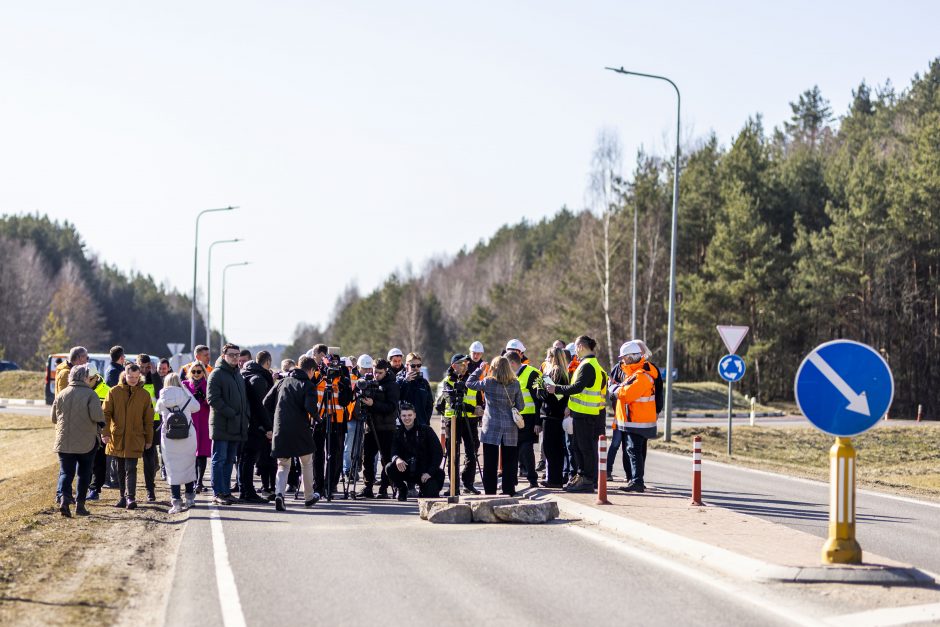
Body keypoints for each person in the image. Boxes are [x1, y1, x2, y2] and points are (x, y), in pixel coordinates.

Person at [545, 335, 608, 493]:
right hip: (583, 413)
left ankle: (586, 479)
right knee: (579, 447)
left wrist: (556, 388)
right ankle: (583, 476)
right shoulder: (590, 364)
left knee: (584, 448)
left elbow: (577, 387)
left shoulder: (587, 365)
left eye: (577, 348)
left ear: (580, 346)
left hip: (585, 414)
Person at [266, 355, 320, 510]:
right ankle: (309, 497)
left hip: (280, 427)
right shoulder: (308, 385)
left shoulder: (282, 382)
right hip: (300, 429)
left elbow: (266, 402)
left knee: (282, 464)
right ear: (310, 370)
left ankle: (279, 494)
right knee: (307, 462)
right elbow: (310, 407)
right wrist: (318, 418)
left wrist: (275, 417)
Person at [466, 356, 524, 496]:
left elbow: (469, 383)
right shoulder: (515, 384)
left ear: (493, 368)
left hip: (491, 426)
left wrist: (479, 370)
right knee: (510, 461)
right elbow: (521, 406)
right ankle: (508, 490)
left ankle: (490, 491)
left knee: (490, 463)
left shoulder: (488, 382)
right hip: (510, 426)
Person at [51, 365, 104, 517]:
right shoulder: (91, 394)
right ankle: (80, 506)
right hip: (86, 441)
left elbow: (53, 418)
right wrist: (102, 424)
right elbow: (96, 416)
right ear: (85, 378)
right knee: (84, 473)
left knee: (66, 472)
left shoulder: (61, 394)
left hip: (64, 441)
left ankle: (64, 499)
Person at [609, 341, 658, 493]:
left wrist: (613, 387)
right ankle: (635, 481)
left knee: (633, 451)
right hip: (634, 421)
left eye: (624, 358)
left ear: (630, 358)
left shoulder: (641, 376)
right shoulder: (634, 375)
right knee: (633, 451)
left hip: (638, 422)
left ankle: (637, 482)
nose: (622, 361)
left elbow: (625, 394)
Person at [103, 363, 154, 509]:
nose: (133, 380)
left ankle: (130, 497)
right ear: (125, 375)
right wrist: (105, 433)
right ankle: (122, 497)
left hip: (135, 437)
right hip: (117, 436)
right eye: (130, 376)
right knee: (119, 468)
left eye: (136, 377)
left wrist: (149, 439)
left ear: (140, 376)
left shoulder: (144, 395)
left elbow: (148, 420)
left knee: (131, 467)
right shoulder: (114, 392)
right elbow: (105, 414)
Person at [207, 343, 249, 506]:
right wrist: (232, 413)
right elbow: (213, 399)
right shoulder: (217, 374)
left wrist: (245, 416)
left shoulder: (237, 374)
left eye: (237, 354)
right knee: (220, 459)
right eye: (231, 354)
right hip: (222, 425)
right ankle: (218, 492)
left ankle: (226, 492)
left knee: (230, 460)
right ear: (224, 355)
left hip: (236, 425)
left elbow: (243, 399)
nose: (235, 357)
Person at [309, 345, 353, 499]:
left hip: (338, 418)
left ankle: (330, 484)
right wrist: (322, 372)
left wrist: (342, 382)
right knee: (317, 453)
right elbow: (310, 389)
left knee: (335, 453)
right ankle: (318, 485)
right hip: (319, 417)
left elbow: (347, 399)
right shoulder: (317, 371)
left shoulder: (343, 373)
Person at [435, 354, 482, 495]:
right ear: (454, 365)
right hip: (453, 421)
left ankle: (468, 484)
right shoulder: (447, 380)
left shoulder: (472, 380)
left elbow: (479, 398)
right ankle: (454, 486)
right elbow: (452, 401)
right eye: (462, 363)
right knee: (453, 454)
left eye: (466, 363)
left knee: (472, 453)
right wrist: (473, 409)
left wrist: (479, 409)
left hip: (470, 421)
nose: (465, 365)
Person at [357, 358, 399, 499]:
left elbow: (392, 407)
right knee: (367, 458)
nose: (376, 375)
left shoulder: (392, 385)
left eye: (380, 373)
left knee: (386, 459)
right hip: (370, 425)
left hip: (387, 428)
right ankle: (367, 487)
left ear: (386, 371)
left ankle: (383, 489)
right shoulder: (368, 382)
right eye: (374, 372)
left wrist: (373, 404)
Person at [385, 401, 445, 501]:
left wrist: (429, 473)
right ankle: (402, 489)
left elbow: (438, 453)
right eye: (404, 415)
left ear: (415, 415)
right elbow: (393, 451)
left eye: (409, 415)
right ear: (400, 416)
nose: (407, 418)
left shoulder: (426, 430)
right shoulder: (397, 432)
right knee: (389, 467)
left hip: (423, 472)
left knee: (432, 494)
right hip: (405, 469)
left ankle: (423, 490)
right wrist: (397, 459)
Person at [156, 373, 198, 513]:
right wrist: (186, 390)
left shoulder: (162, 398)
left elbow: (157, 410)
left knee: (172, 468)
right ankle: (190, 498)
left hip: (169, 438)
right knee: (188, 465)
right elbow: (196, 407)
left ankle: (176, 502)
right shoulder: (185, 395)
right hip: (188, 435)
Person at [240, 351, 274, 503]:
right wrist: (268, 427)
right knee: (249, 459)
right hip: (255, 425)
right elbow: (261, 406)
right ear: (267, 362)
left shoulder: (246, 374)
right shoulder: (259, 379)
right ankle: (248, 492)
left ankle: (244, 490)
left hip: (246, 422)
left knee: (245, 459)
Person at [505, 351, 542, 488]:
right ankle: (512, 480)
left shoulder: (532, 373)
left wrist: (538, 422)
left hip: (529, 417)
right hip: (515, 418)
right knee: (513, 449)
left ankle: (532, 479)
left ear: (513, 363)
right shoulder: (511, 375)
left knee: (526, 449)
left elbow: (538, 400)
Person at [538, 347, 571, 487]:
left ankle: (554, 480)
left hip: (552, 414)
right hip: (556, 414)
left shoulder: (555, 372)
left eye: (548, 356)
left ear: (553, 357)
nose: (547, 359)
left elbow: (553, 397)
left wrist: (540, 388)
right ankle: (554, 478)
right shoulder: (563, 372)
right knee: (555, 447)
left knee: (551, 448)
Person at [182, 363, 212, 492]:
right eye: (193, 371)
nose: (196, 374)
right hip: (191, 422)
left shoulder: (208, 384)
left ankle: (199, 482)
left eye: (199, 371)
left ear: (203, 372)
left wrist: (204, 398)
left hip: (204, 421)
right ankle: (193, 481)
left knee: (202, 453)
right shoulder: (185, 385)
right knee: (191, 453)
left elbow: (213, 402)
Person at [138, 354, 164, 502]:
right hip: (136, 423)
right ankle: (129, 493)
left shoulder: (154, 378)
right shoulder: (133, 379)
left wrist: (154, 374)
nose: (143, 370)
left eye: (146, 367)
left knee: (148, 458)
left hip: (152, 423)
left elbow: (160, 392)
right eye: (141, 367)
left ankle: (150, 490)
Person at [343, 354, 372, 480]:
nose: (367, 371)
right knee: (350, 445)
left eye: (369, 369)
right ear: (358, 366)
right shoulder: (351, 377)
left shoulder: (371, 377)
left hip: (366, 415)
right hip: (352, 416)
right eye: (364, 369)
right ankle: (348, 469)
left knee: (361, 446)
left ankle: (358, 469)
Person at [86, 364, 111, 501]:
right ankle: (84, 487)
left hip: (100, 432)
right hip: (85, 432)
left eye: (90, 379)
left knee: (99, 462)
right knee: (85, 462)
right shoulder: (81, 389)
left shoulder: (107, 392)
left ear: (96, 377)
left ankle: (95, 489)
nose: (87, 381)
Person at [397, 352, 434, 427]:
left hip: (421, 424)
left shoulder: (424, 382)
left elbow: (429, 404)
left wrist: (426, 421)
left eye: (419, 365)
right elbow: (397, 398)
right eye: (413, 366)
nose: (416, 368)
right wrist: (406, 382)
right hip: (404, 424)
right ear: (407, 365)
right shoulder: (399, 379)